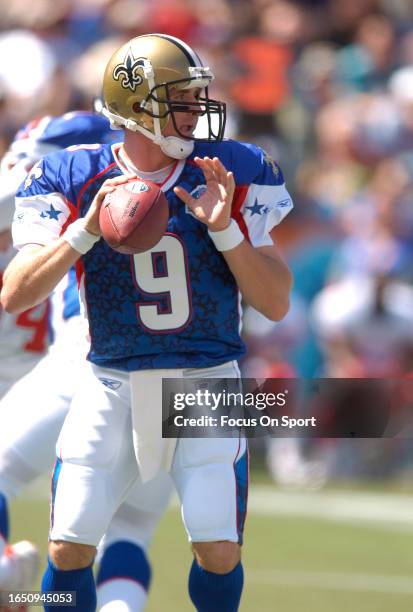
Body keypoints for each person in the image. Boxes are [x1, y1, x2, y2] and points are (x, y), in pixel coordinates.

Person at [1, 33, 293, 611]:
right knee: (69, 547)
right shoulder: (70, 173)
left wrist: (225, 230)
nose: (197, 110)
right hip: (108, 379)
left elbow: (275, 301)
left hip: (209, 378)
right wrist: (81, 232)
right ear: (139, 107)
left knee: (217, 549)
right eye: (182, 99)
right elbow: (15, 293)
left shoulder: (230, 169)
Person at [0, 112, 173, 611]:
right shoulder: (189, 189)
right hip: (189, 378)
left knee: (52, 523)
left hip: (92, 361)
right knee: (131, 531)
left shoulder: (79, 182)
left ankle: (10, 577)